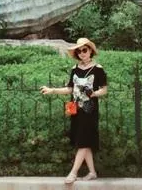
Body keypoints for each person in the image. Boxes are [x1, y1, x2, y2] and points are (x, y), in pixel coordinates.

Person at [40, 37, 108, 184]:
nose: (82, 53)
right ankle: (92, 172)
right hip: (75, 108)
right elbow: (70, 89)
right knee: (82, 140)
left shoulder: (98, 69)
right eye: (79, 51)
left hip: (90, 110)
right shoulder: (75, 69)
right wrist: (52, 90)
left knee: (83, 142)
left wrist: (95, 94)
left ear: (90, 51)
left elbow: (104, 90)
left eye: (85, 50)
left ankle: (73, 172)